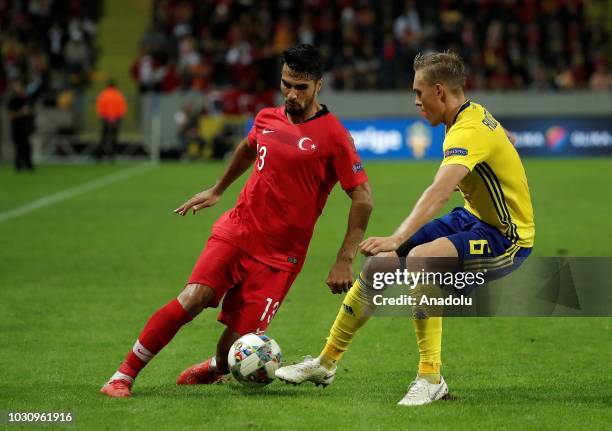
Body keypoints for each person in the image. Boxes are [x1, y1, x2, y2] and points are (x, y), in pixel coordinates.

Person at [100, 44, 373, 397]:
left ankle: (215, 367)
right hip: (239, 230)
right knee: (192, 298)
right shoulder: (266, 118)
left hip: (281, 258)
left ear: (319, 85)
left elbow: (363, 197)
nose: (291, 94)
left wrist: (344, 258)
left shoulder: (334, 136)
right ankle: (123, 375)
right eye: (286, 84)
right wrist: (218, 189)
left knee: (238, 347)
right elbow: (247, 148)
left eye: (300, 87)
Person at [275, 51, 535, 406]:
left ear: (440, 92)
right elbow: (509, 138)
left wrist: (398, 236)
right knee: (379, 265)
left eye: (419, 93)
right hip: (474, 218)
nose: (415, 102)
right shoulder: (472, 114)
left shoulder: (468, 131)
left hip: (507, 237)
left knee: (422, 261)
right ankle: (325, 363)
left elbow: (440, 191)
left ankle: (431, 378)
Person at [95, 80, 127, 160]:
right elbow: (122, 108)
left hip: (105, 119)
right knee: (114, 137)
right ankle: (112, 155)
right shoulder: (119, 95)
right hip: (116, 119)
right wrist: (115, 117)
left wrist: (105, 116)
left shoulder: (103, 94)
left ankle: (100, 155)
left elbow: (100, 108)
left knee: (103, 137)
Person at [7, 80, 35, 172]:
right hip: (16, 128)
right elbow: (11, 115)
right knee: (19, 147)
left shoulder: (26, 100)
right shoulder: (12, 101)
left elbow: (30, 112)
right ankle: (18, 166)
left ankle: (29, 166)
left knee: (27, 147)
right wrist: (22, 112)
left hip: (25, 127)